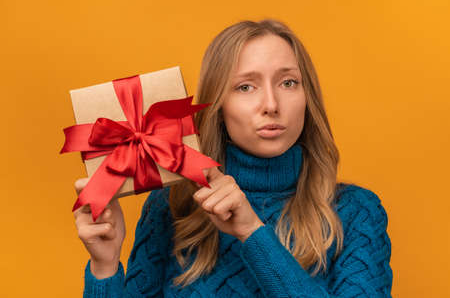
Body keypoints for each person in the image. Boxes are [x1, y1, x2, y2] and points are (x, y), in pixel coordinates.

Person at [74, 19, 393, 297]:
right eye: (245, 87)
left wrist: (252, 231)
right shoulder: (169, 207)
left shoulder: (357, 213)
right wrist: (105, 266)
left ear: (307, 98)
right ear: (218, 106)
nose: (271, 103)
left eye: (288, 82)